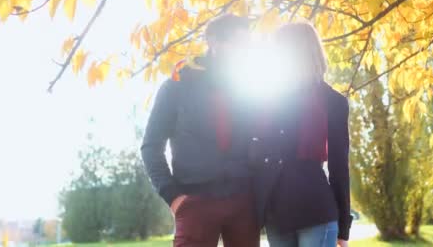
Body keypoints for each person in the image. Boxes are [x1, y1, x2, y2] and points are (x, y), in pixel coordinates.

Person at [141, 13, 260, 247]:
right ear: (214, 43)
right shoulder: (177, 84)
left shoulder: (248, 88)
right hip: (195, 202)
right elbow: (151, 146)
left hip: (243, 203)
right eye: (239, 45)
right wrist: (174, 198)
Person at [250, 22, 352, 247]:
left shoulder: (332, 102)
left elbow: (339, 168)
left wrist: (344, 228)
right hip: (277, 216)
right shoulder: (266, 101)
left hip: (314, 211)